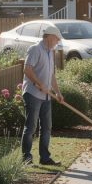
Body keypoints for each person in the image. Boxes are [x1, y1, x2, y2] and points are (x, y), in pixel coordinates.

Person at [21, 24, 65, 166]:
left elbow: (51, 75)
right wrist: (39, 84)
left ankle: (44, 158)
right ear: (50, 37)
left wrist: (58, 92)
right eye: (57, 39)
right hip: (32, 94)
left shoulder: (50, 52)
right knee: (31, 126)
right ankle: (26, 158)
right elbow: (27, 70)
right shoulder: (35, 49)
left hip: (46, 96)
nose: (58, 41)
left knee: (47, 127)